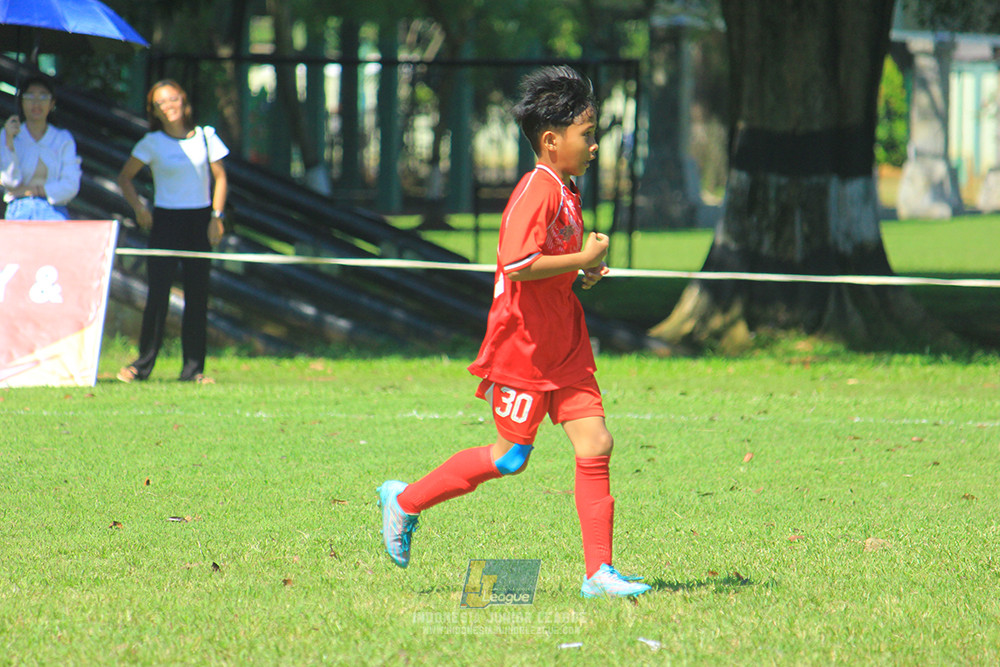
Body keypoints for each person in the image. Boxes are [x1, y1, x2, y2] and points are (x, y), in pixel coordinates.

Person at [377, 66, 651, 599]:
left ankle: (599, 574)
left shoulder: (566, 188)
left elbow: (548, 264)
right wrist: (582, 256)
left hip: (564, 340)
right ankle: (404, 501)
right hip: (524, 345)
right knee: (509, 458)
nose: (595, 145)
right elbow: (517, 262)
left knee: (596, 442)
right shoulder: (536, 188)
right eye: (587, 134)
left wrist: (581, 272)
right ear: (552, 141)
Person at [116, 79, 229, 385]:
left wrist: (216, 217)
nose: (169, 107)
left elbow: (220, 177)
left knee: (197, 296)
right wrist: (140, 209)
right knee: (158, 296)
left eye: (172, 100)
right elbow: (125, 178)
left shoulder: (206, 137)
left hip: (199, 221)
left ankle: (193, 370)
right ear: (154, 110)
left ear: (184, 100)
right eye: (160, 103)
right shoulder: (151, 142)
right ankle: (142, 366)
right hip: (165, 221)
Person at [0, 75, 81, 220]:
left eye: (43, 97)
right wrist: (9, 143)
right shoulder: (8, 134)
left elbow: (71, 185)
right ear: (21, 102)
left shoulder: (62, 138)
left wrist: (34, 190)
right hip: (19, 210)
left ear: (51, 104)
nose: (36, 103)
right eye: (30, 96)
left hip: (55, 211)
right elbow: (10, 182)